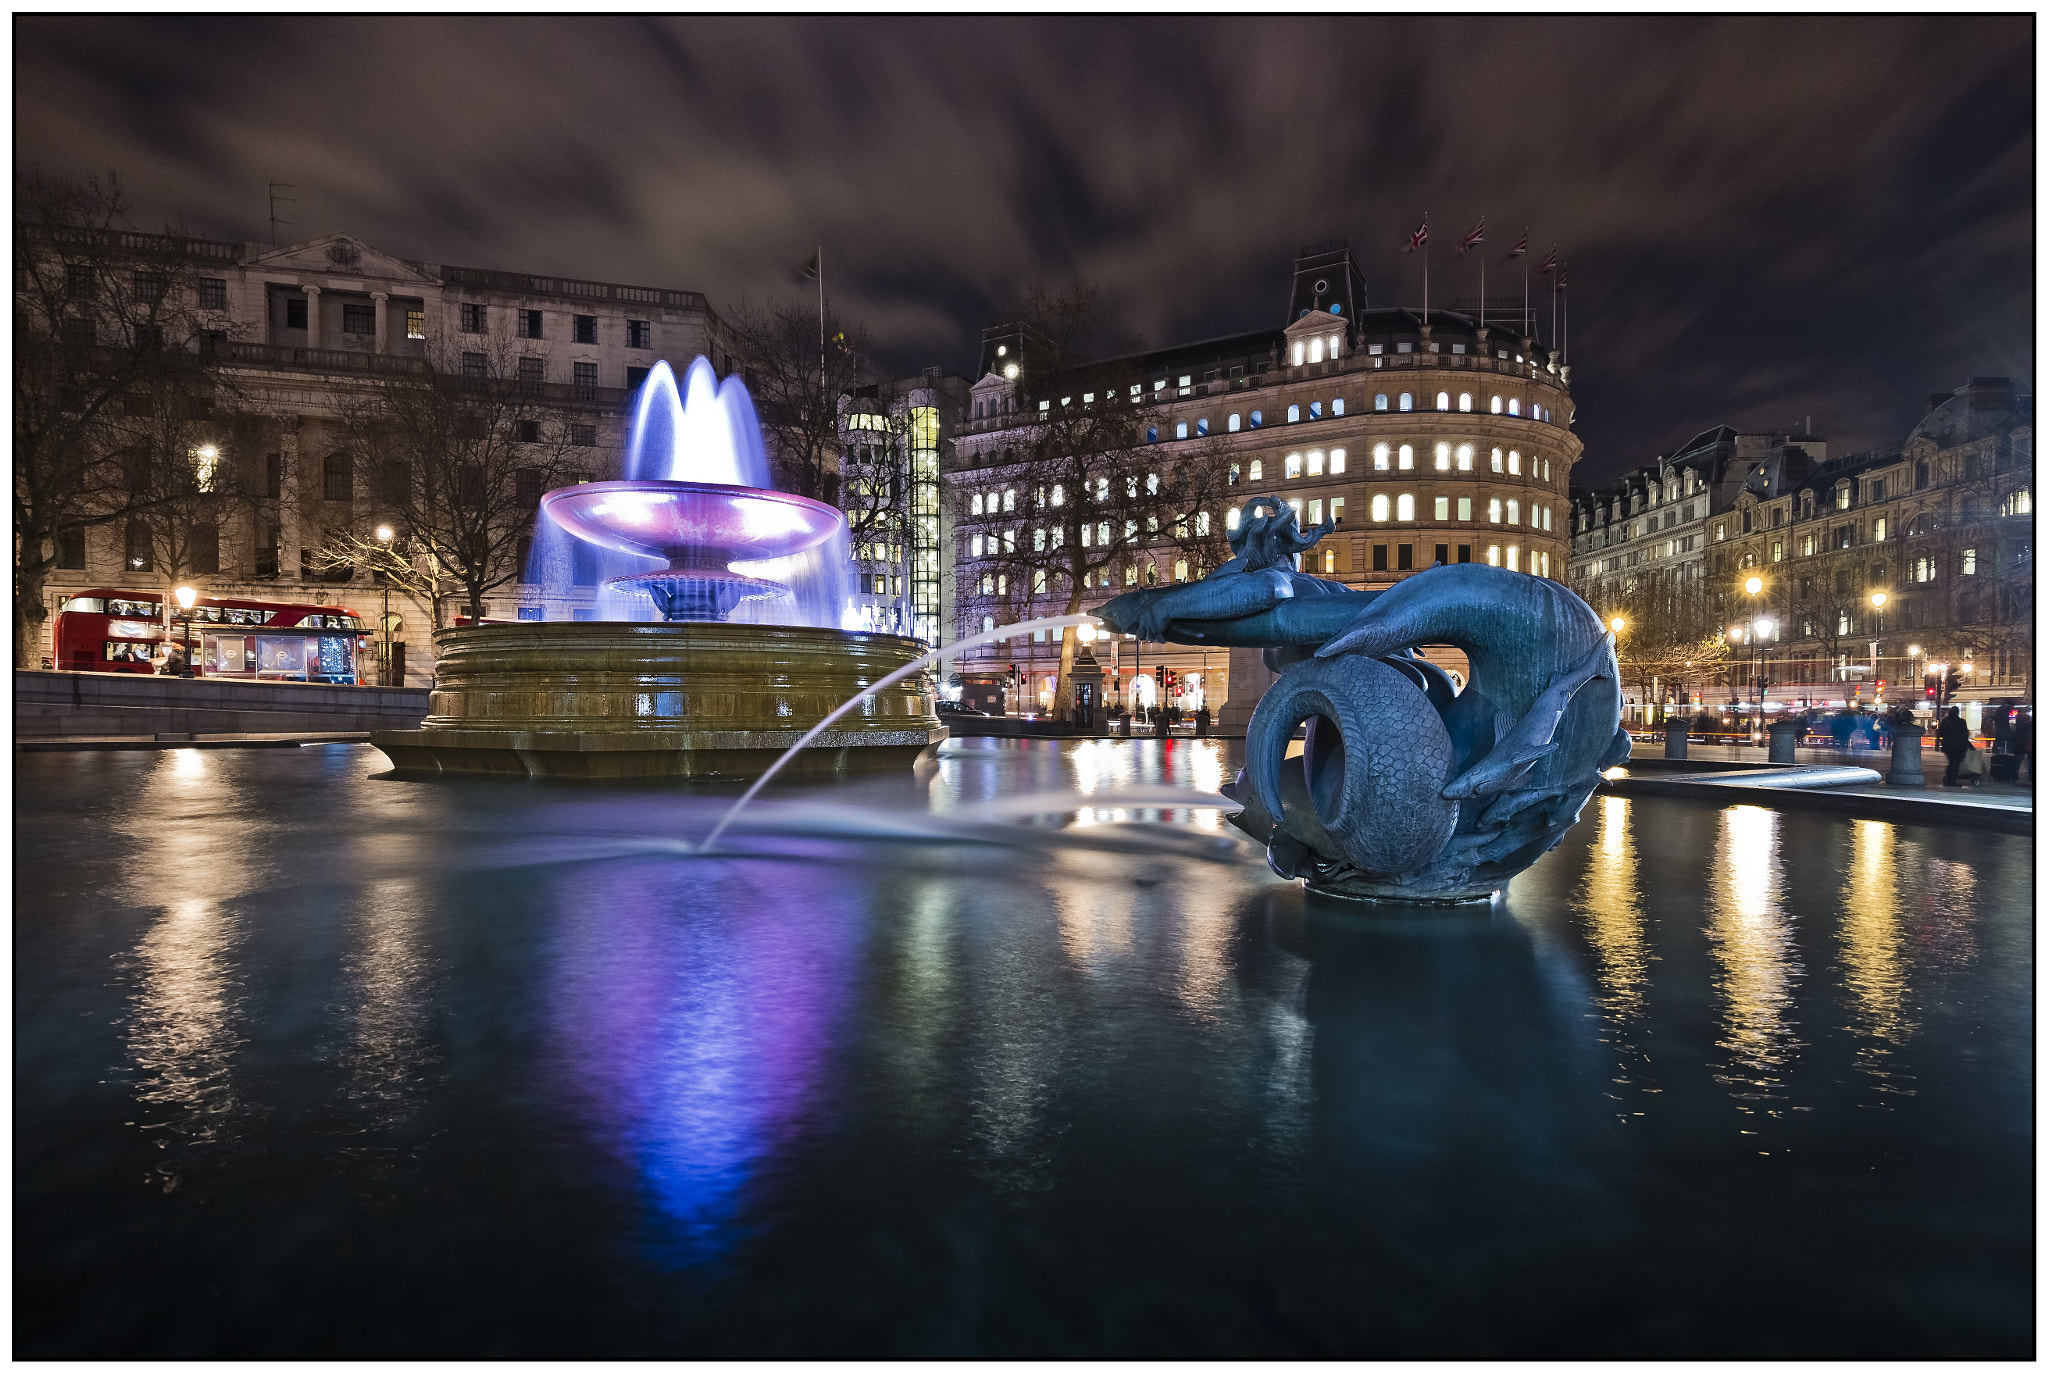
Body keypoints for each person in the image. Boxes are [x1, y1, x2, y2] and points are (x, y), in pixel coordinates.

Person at [1936, 706, 1971, 787]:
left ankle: (1948, 779)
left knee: (1952, 762)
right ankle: (1951, 780)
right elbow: (1965, 734)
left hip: (1947, 745)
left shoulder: (1945, 721)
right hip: (1958, 746)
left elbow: (1940, 733)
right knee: (1955, 764)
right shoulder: (1961, 722)